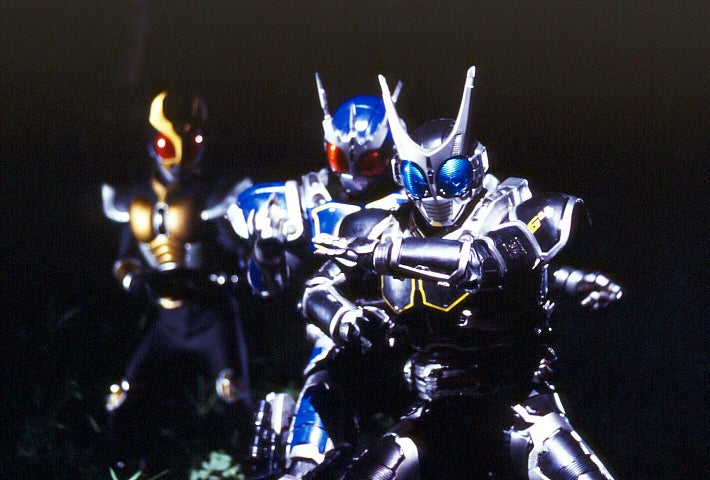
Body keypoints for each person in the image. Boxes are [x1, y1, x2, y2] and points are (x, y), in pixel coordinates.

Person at [298, 66, 621, 479]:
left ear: (475, 167)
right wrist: (348, 322)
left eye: (451, 176)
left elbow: (484, 259)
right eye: (417, 179)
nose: (435, 193)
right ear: (401, 175)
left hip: (519, 410)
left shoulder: (514, 211)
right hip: (432, 416)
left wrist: (387, 254)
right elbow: (316, 289)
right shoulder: (385, 226)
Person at [229, 73, 408, 478]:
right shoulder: (305, 202)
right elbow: (268, 288)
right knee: (307, 453)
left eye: (369, 162)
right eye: (340, 159)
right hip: (336, 336)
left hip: (412, 336)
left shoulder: (413, 198)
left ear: (389, 153)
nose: (354, 174)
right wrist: (266, 251)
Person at [101, 90, 253, 468]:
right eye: (167, 146)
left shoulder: (209, 194)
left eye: (191, 145)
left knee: (233, 392)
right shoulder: (138, 196)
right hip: (165, 322)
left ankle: (250, 461)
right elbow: (124, 260)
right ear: (153, 147)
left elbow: (236, 252)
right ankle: (125, 463)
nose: (179, 158)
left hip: (208, 318)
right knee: (121, 395)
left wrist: (222, 278)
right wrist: (137, 282)